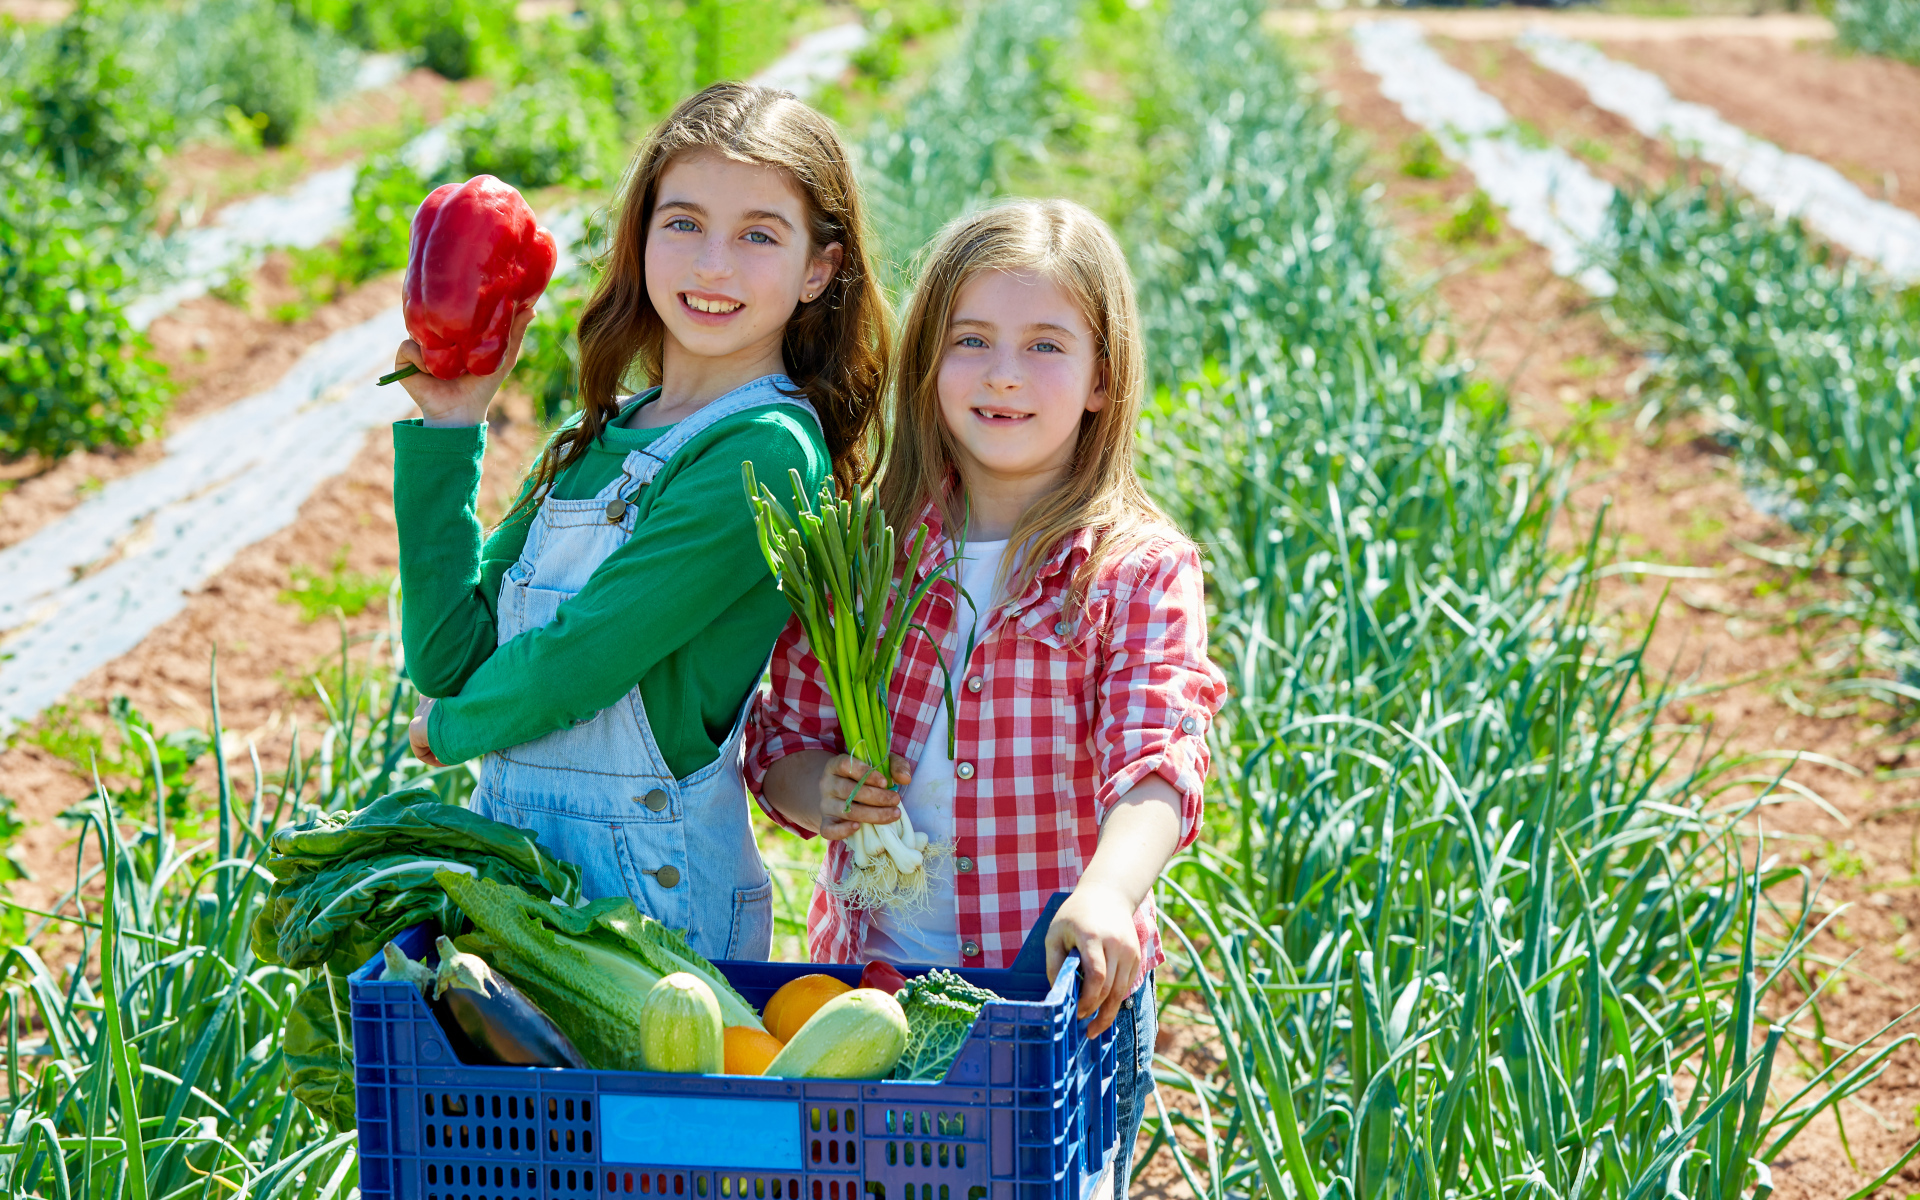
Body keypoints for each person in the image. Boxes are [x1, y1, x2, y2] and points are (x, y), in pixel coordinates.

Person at [748, 199, 1226, 1195]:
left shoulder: (1134, 572)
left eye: (1044, 344)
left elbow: (1159, 759)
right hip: (871, 989)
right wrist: (814, 788)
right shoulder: (867, 549)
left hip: (1050, 1002)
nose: (1003, 373)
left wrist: (1106, 889)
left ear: (1102, 378)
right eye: (971, 341)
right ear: (929, 366)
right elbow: (782, 736)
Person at [388, 82, 889, 962]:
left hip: (659, 905)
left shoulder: (766, 454)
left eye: (758, 235)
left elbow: (582, 660)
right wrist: (449, 427)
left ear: (820, 269)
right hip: (523, 890)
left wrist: (452, 727)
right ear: (643, 234)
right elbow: (448, 658)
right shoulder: (597, 436)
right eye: (684, 223)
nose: (712, 265)